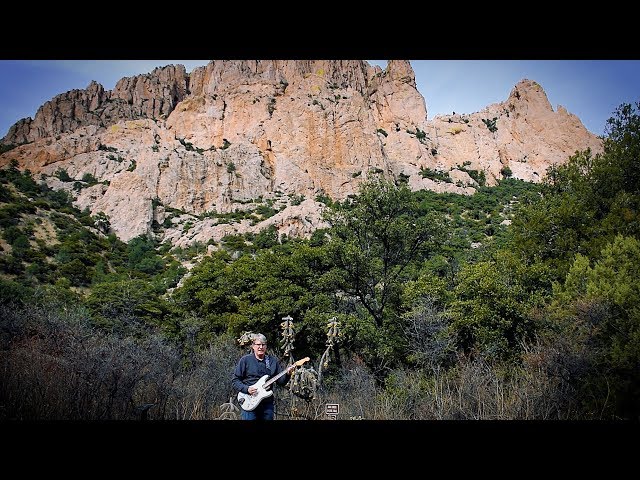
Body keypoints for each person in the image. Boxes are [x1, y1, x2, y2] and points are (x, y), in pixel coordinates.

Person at [232, 333, 294, 420]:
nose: (261, 347)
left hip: (266, 404)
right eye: (258, 344)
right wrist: (247, 389)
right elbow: (235, 381)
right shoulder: (245, 360)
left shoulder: (272, 361)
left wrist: (288, 374)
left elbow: (281, 382)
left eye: (263, 344)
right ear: (253, 346)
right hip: (249, 402)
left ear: (266, 346)